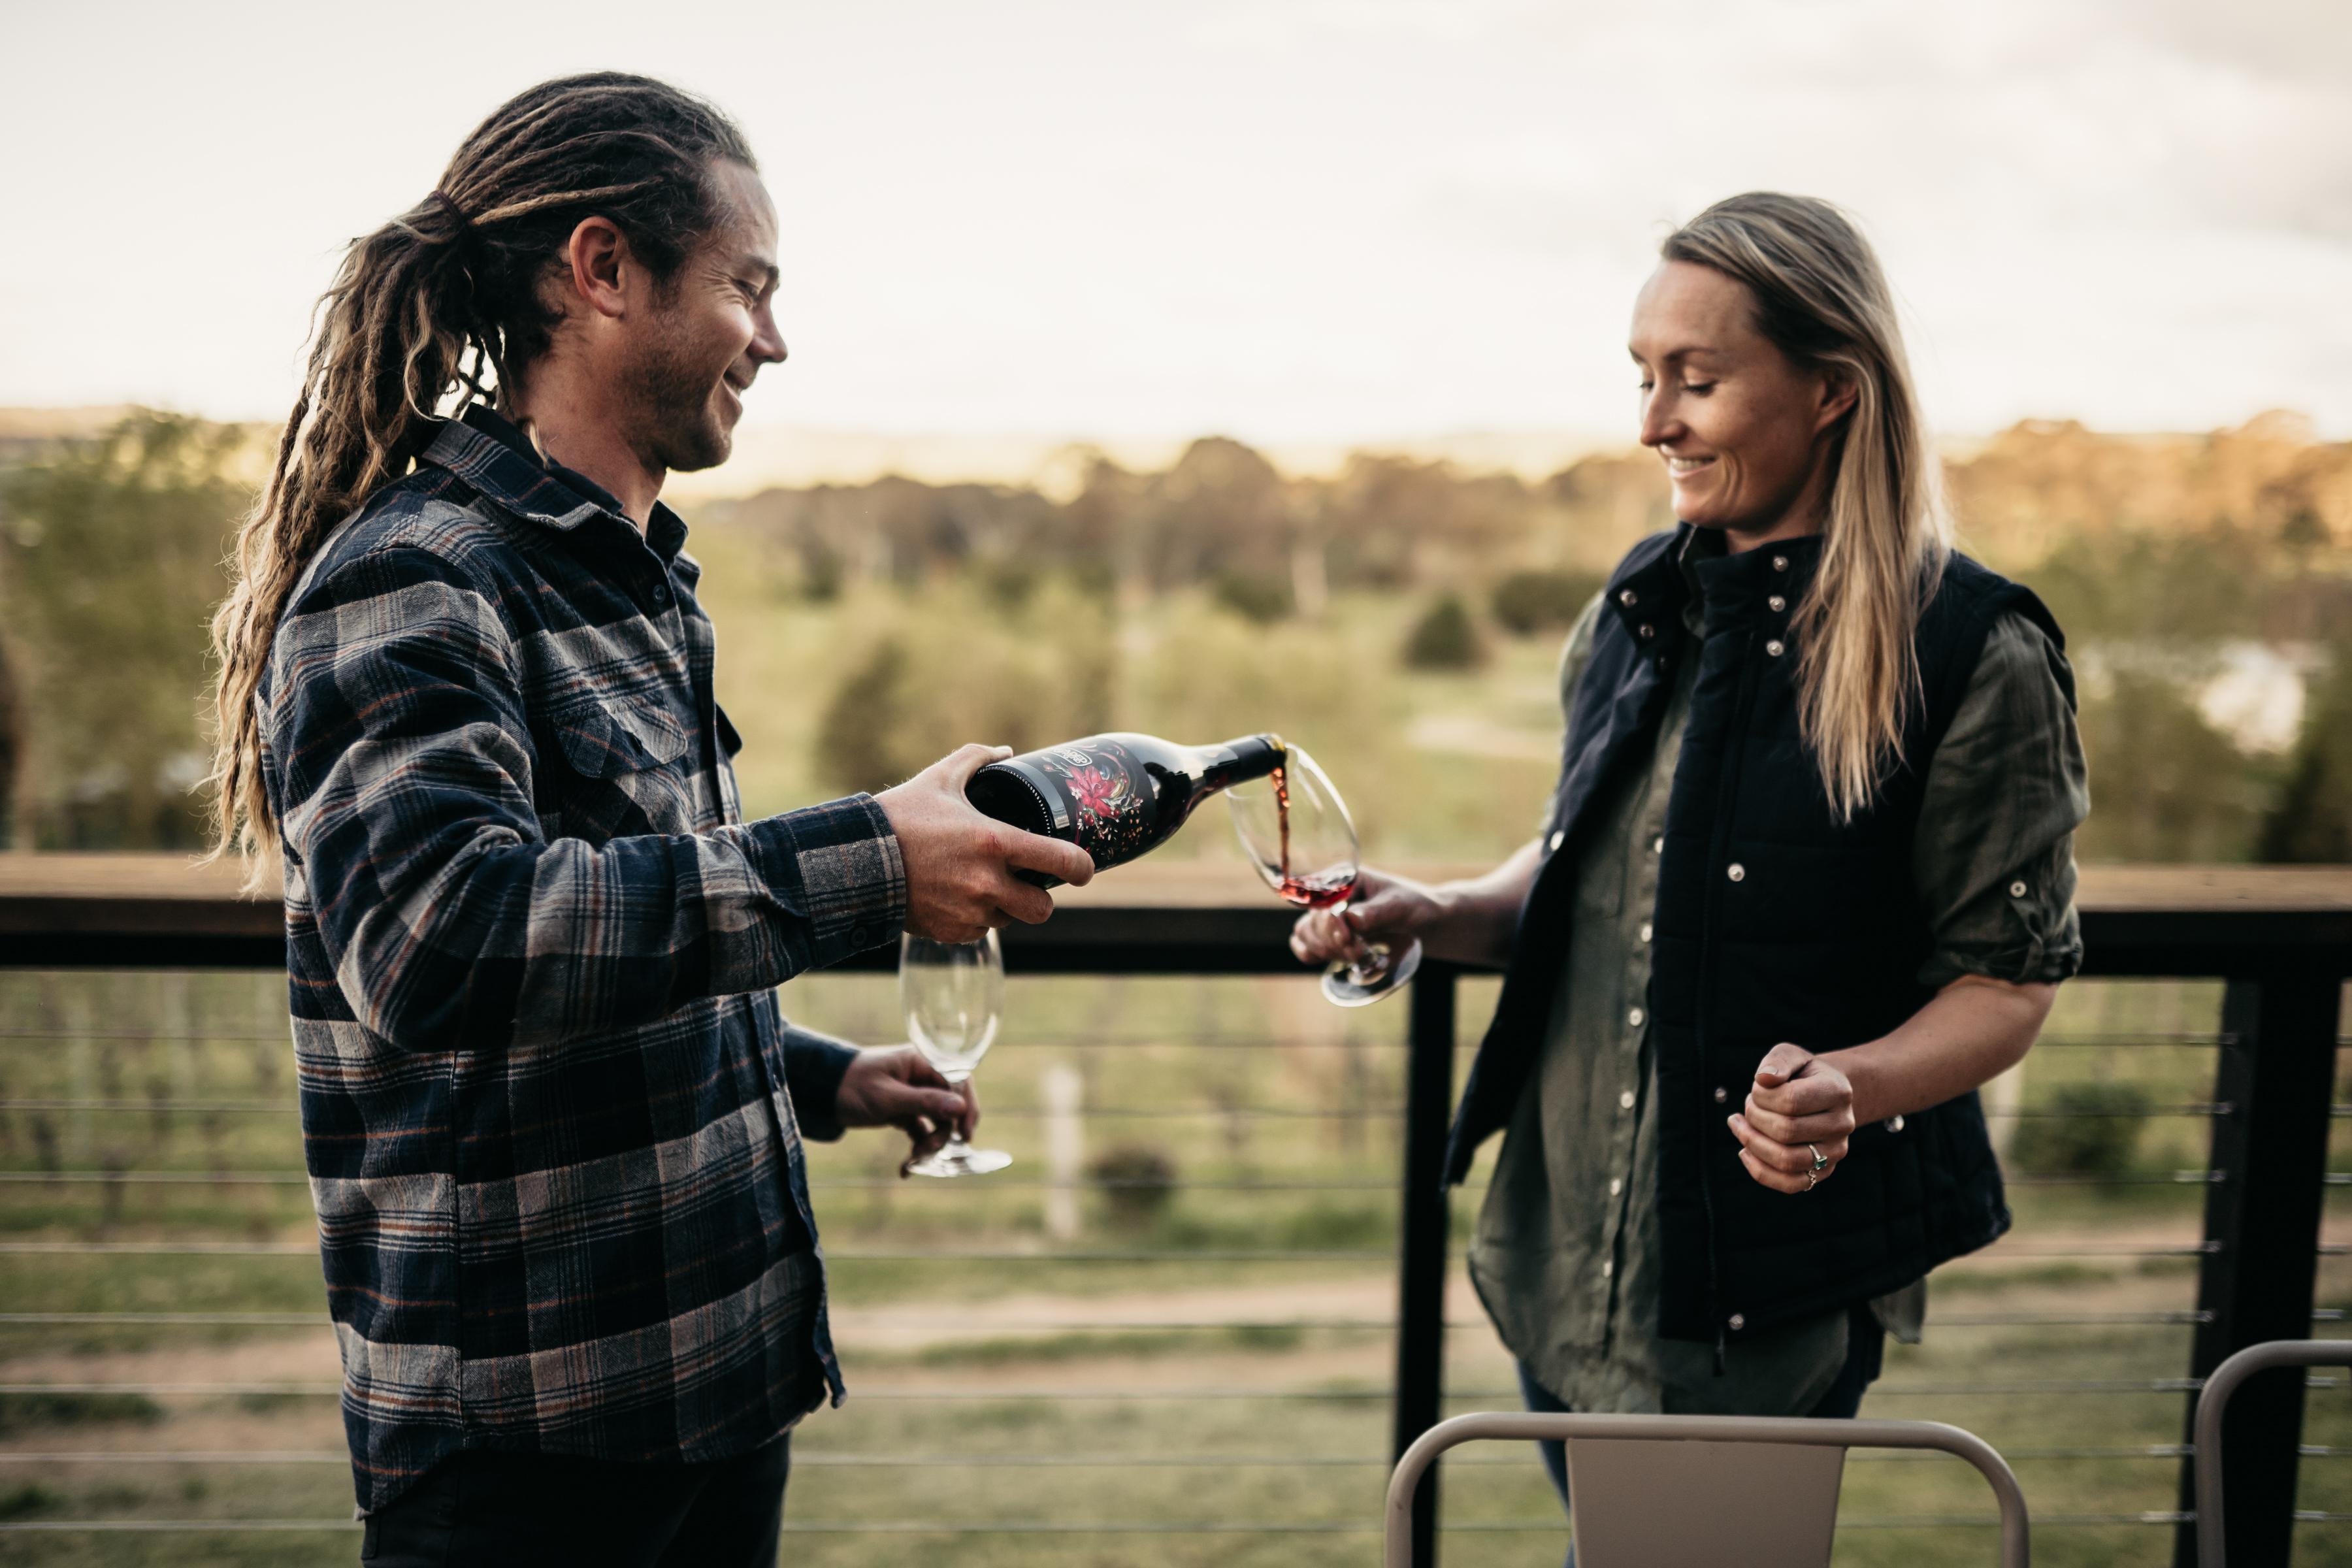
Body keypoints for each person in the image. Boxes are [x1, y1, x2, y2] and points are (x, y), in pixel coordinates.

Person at [204, 73, 1094, 1566]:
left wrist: (811, 1073)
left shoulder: (633, 578)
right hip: (531, 1453)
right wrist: (875, 860)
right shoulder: (417, 576)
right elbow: (447, 946)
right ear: (604, 269)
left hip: (718, 1396)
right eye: (750, 285)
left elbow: (616, 925)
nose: (777, 335)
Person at [1295, 193, 2086, 1533]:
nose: (1652, 422)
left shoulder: (1973, 652)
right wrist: (1444, 912)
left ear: (1834, 391)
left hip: (1750, 1301)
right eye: (1645, 376)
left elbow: (2007, 983)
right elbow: (1593, 861)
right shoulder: (1641, 601)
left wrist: (1853, 1083)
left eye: (1696, 381)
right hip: (1558, 1266)